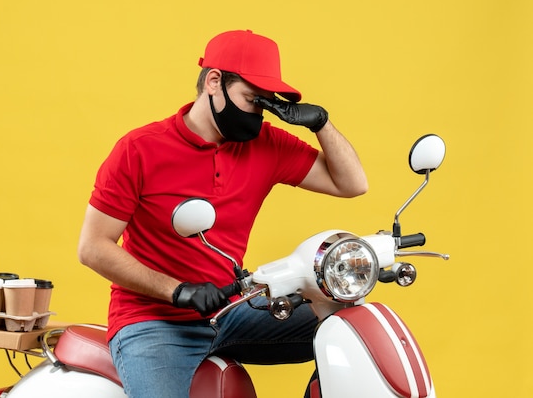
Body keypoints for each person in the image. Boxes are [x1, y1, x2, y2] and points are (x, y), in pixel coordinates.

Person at [78, 29, 368, 397]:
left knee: (352, 330)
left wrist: (320, 123)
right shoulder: (140, 149)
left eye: (267, 103)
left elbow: (352, 184)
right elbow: (93, 247)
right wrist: (177, 291)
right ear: (214, 81)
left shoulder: (268, 146)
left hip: (231, 313)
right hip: (153, 322)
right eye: (251, 99)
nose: (258, 113)